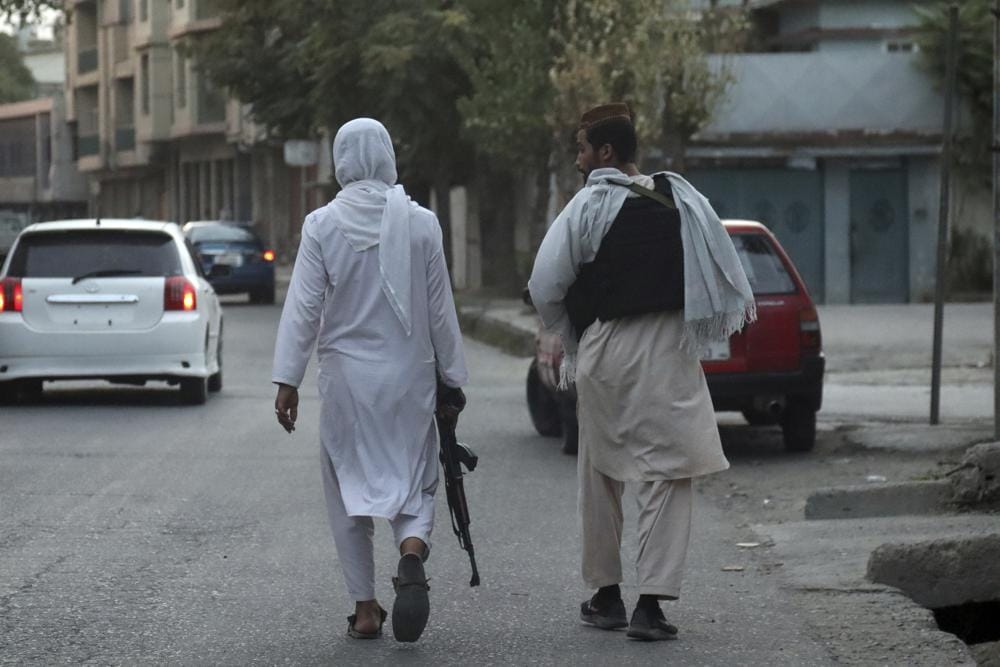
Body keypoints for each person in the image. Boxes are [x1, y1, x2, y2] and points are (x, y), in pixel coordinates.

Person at [528, 103, 754, 641]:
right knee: (668, 474)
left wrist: (572, 331)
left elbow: (544, 285)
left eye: (583, 149)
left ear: (605, 152)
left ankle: (606, 597)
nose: (579, 160)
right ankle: (650, 607)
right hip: (670, 349)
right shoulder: (682, 199)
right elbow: (720, 273)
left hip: (606, 349)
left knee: (600, 471)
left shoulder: (587, 206)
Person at [271, 118, 468, 643]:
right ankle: (411, 552)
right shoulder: (421, 223)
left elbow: (303, 307)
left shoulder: (321, 225)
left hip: (346, 384)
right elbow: (440, 310)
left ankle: (364, 608)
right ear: (386, 156)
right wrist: (452, 378)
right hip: (409, 378)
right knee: (414, 476)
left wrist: (287, 379)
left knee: (347, 488)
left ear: (341, 162)